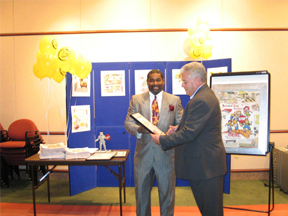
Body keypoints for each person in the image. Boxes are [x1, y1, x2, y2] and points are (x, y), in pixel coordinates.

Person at [151, 62, 227, 216]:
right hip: (206, 166)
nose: (182, 85)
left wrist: (163, 139)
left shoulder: (201, 100)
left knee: (211, 211)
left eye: (185, 81)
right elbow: (198, 128)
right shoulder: (203, 96)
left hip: (206, 168)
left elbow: (189, 134)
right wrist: (178, 128)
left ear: (197, 79)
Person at [124, 69, 184, 216]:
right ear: (147, 82)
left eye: (158, 80)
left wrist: (175, 130)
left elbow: (181, 124)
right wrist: (139, 129)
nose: (155, 83)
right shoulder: (136, 100)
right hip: (143, 157)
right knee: (141, 196)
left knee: (167, 196)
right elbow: (128, 123)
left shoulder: (174, 100)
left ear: (163, 81)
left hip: (166, 155)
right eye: (152, 80)